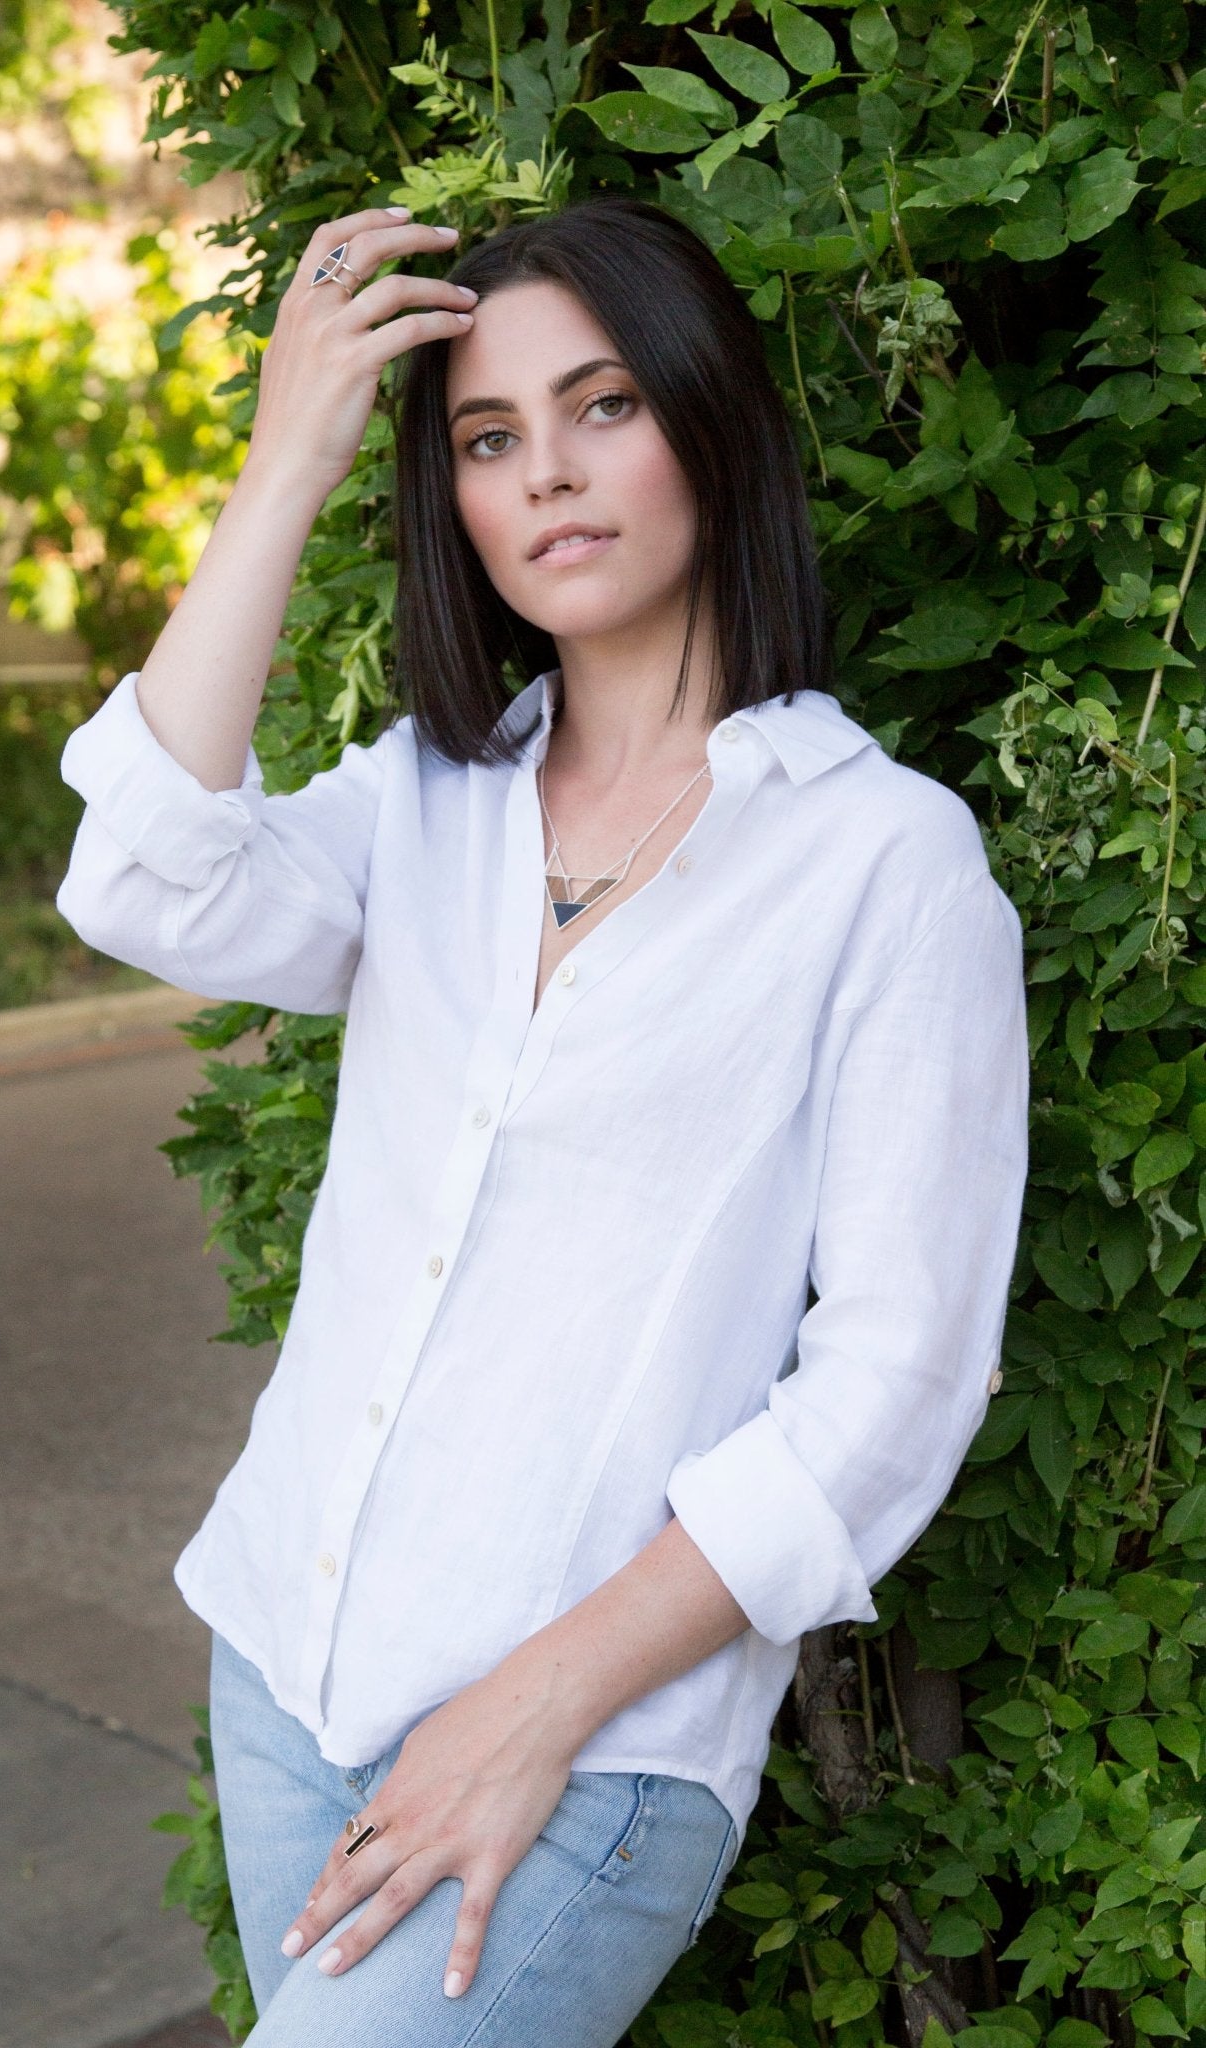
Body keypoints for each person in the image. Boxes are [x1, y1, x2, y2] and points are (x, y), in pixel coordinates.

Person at [54, 194, 1031, 2047]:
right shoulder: (433, 800)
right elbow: (145, 880)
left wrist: (532, 1707)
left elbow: (891, 1391)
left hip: (577, 1756)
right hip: (285, 1666)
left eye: (602, 408)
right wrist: (286, 464)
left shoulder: (884, 864)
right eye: (489, 439)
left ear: (709, 424)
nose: (547, 476)